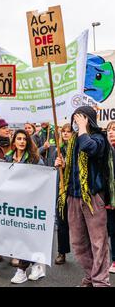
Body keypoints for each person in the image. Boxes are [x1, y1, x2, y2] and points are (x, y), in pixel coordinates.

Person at [55, 106, 111, 287]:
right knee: (78, 243)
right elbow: (73, 168)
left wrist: (83, 129)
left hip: (92, 197)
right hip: (73, 196)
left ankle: (101, 281)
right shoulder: (73, 141)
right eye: (75, 118)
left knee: (98, 242)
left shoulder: (98, 138)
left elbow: (90, 148)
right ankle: (91, 276)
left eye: (81, 118)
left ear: (89, 120)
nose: (77, 122)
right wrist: (62, 164)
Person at [4, 129, 46, 284]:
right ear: (14, 141)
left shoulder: (35, 158)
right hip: (13, 203)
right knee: (19, 236)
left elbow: (43, 178)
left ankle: (21, 270)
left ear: (28, 141)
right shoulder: (8, 158)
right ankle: (36, 266)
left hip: (30, 203)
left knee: (25, 235)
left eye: (24, 139)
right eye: (19, 138)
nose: (22, 141)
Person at [54, 124, 72, 265]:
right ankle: (62, 251)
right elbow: (49, 169)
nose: (65, 134)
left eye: (68, 132)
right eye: (63, 132)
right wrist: (56, 165)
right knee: (61, 223)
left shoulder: (77, 148)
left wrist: (67, 166)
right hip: (61, 191)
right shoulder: (57, 150)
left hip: (74, 190)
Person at [105, 121, 115, 273]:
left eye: (114, 130)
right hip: (109, 200)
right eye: (109, 130)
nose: (112, 132)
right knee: (112, 231)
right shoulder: (103, 151)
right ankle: (114, 260)